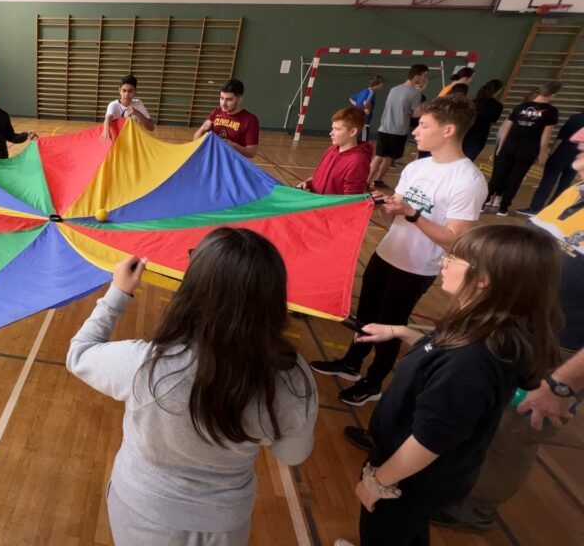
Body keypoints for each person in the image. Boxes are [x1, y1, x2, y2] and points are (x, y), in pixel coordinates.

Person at [67, 228, 317, 545]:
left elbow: (79, 354)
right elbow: (293, 454)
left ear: (195, 288)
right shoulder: (293, 379)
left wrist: (118, 294)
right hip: (224, 523)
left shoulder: (146, 365)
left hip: (142, 512)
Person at [332, 224, 564, 546]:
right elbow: (440, 348)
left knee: (382, 534)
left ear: (485, 281)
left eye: (454, 257)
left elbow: (430, 440)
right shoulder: (485, 326)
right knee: (407, 531)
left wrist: (378, 481)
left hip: (410, 477)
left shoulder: (470, 363)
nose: (444, 260)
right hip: (426, 475)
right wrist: (400, 332)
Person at [432, 127, 584, 531]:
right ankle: (457, 482)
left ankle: (478, 505)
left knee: (514, 433)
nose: (577, 136)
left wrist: (562, 384)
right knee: (484, 420)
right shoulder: (575, 191)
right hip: (514, 330)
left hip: (559, 354)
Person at [311, 97, 488, 406]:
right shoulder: (417, 166)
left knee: (390, 327)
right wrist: (389, 207)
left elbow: (454, 241)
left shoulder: (468, 180)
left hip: (416, 267)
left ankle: (373, 381)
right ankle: (352, 364)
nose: (415, 131)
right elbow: (395, 214)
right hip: (387, 253)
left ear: (448, 130)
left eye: (423, 125)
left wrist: (412, 213)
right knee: (364, 317)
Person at [486, 80, 561, 216]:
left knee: (498, 175)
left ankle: (483, 202)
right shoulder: (551, 111)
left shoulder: (521, 106)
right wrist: (543, 153)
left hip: (510, 146)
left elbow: (506, 129)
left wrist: (501, 147)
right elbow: (546, 136)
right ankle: (503, 208)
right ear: (553, 95)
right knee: (516, 178)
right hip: (528, 149)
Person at [368, 65, 430, 188]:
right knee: (389, 157)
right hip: (399, 131)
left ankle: (366, 181)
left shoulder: (394, 89)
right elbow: (415, 114)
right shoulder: (415, 93)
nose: (424, 79)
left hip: (384, 128)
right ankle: (378, 180)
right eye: (424, 76)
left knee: (379, 156)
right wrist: (426, 106)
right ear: (417, 76)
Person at [516, 108, 584, 216]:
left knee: (548, 180)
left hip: (562, 152)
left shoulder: (576, 118)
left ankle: (535, 208)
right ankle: (553, 210)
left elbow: (561, 136)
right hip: (579, 156)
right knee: (565, 183)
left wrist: (551, 152)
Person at [298, 107, 372, 195]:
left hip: (329, 208)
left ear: (352, 132)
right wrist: (308, 183)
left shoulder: (357, 161)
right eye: (332, 128)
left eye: (337, 129)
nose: (331, 133)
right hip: (315, 204)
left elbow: (351, 199)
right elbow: (317, 177)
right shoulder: (331, 150)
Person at [193, 78, 259, 158]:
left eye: (229, 100)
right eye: (222, 98)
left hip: (232, 164)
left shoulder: (250, 120)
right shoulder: (215, 113)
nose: (223, 103)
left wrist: (233, 146)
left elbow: (251, 153)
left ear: (239, 99)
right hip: (213, 160)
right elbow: (195, 140)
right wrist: (202, 128)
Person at [101, 74, 155, 141]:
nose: (126, 94)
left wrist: (138, 113)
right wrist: (106, 130)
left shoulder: (138, 104)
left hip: (133, 140)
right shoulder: (113, 105)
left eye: (130, 91)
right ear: (119, 91)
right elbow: (108, 118)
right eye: (124, 91)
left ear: (135, 92)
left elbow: (151, 128)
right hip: (117, 140)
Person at [462, 79, 505, 163]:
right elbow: (491, 123)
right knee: (466, 161)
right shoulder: (497, 106)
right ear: (497, 91)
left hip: (464, 133)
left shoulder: (472, 102)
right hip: (479, 136)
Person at [350, 75, 385, 141]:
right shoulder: (371, 92)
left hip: (358, 121)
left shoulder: (363, 91)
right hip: (364, 122)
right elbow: (365, 102)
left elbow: (351, 99)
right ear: (377, 84)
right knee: (363, 142)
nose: (382, 86)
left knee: (358, 141)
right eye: (381, 84)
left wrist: (358, 106)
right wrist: (367, 110)